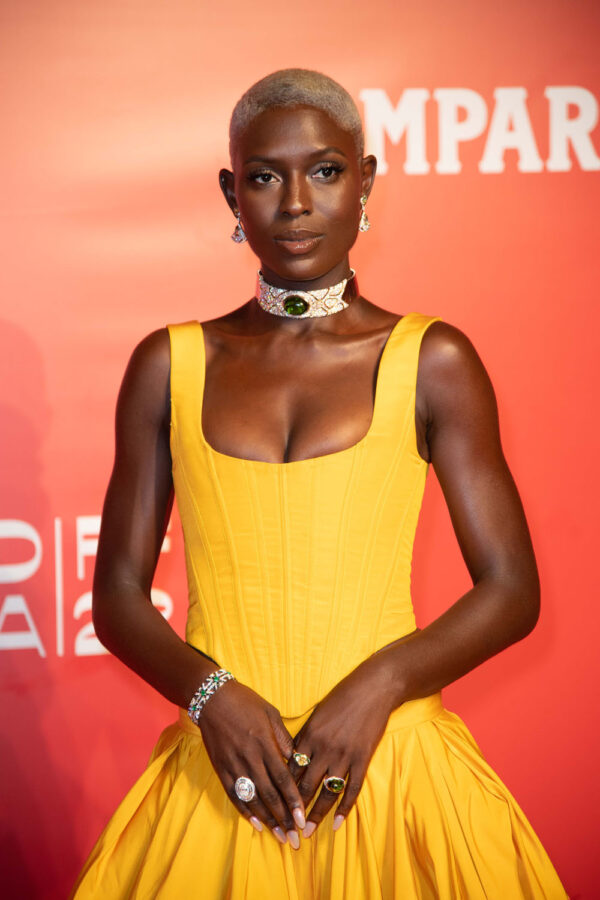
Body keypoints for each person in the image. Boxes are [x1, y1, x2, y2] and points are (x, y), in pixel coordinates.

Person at [71, 69, 567, 899]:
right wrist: (212, 699)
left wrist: (378, 689)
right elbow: (118, 596)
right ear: (233, 194)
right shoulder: (169, 364)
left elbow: (513, 589)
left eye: (326, 171)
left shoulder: (431, 360)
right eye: (265, 177)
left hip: (392, 769)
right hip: (227, 777)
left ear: (365, 181)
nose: (295, 201)